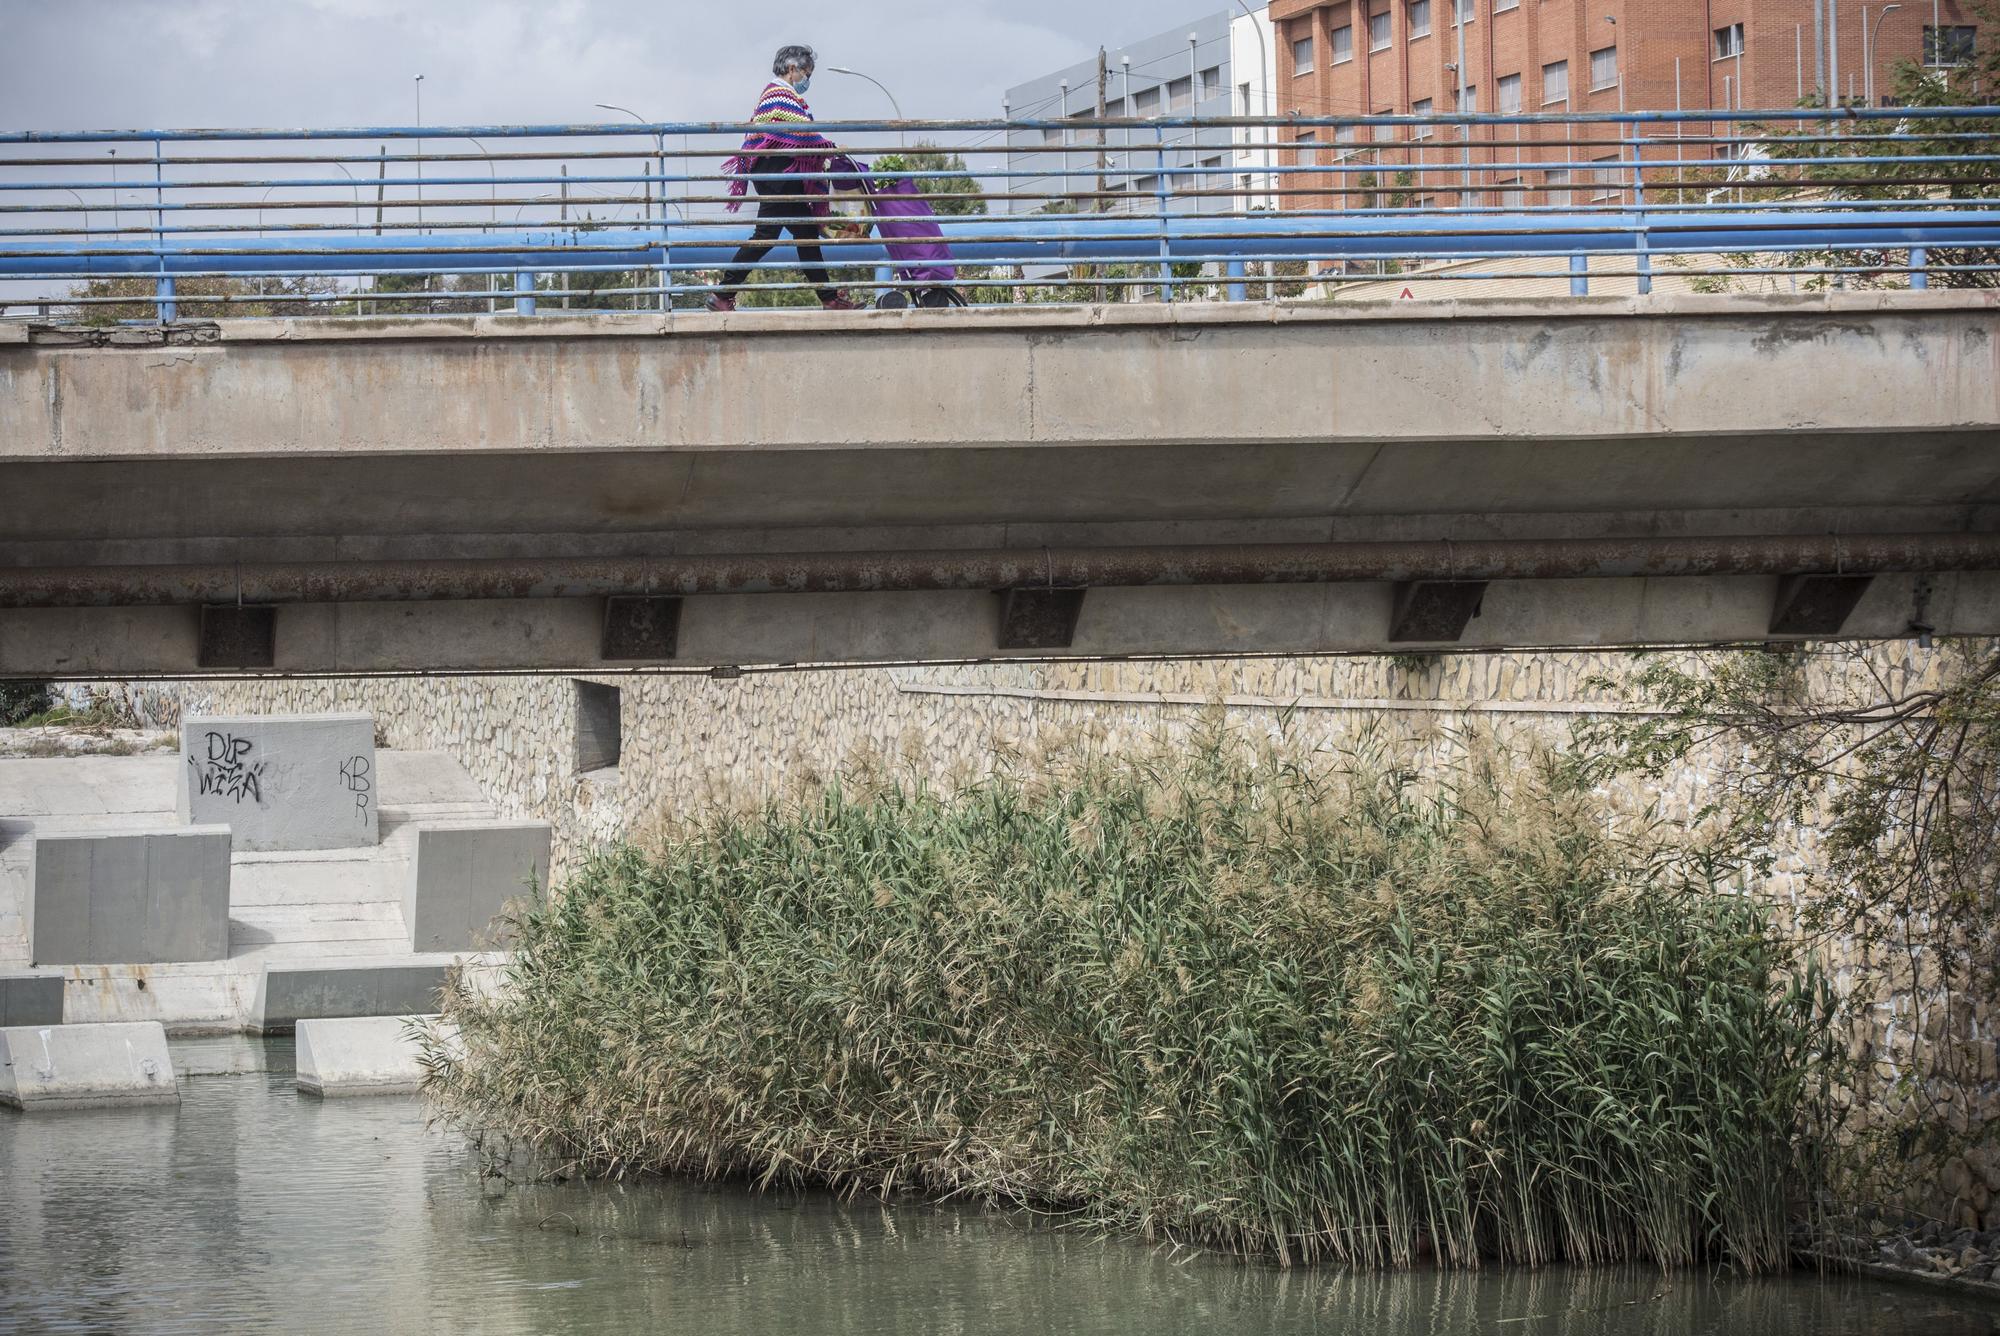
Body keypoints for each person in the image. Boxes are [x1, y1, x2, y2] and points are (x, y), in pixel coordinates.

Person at [711, 45, 858, 312]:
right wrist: (827, 146)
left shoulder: (780, 93)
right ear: (792, 68)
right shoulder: (778, 93)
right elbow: (800, 131)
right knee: (772, 236)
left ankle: (829, 299)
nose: (807, 80)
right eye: (806, 73)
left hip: (778, 174)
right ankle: (723, 294)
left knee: (804, 236)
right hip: (778, 175)